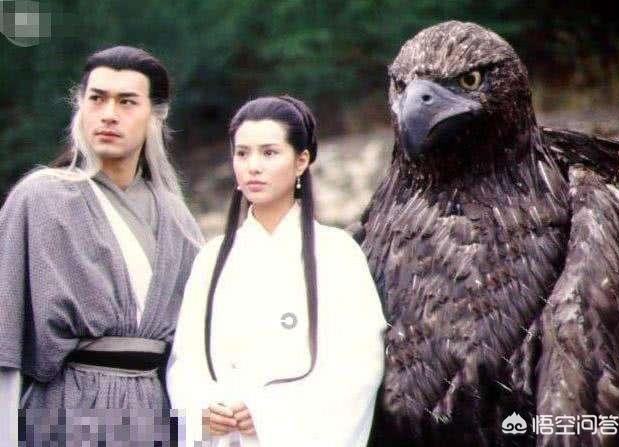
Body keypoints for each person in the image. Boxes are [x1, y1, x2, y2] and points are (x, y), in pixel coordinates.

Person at [0, 46, 203, 446]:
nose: (109, 114)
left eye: (127, 102)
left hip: (154, 412)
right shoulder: (40, 199)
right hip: (66, 411)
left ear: (156, 115)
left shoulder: (178, 219)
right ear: (80, 105)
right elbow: (5, 338)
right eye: (97, 98)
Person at [167, 95, 387, 446]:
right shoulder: (211, 258)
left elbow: (358, 368)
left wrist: (269, 415)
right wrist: (202, 412)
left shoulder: (337, 253)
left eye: (269, 153)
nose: (253, 166)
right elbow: (186, 361)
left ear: (301, 161)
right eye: (242, 153)